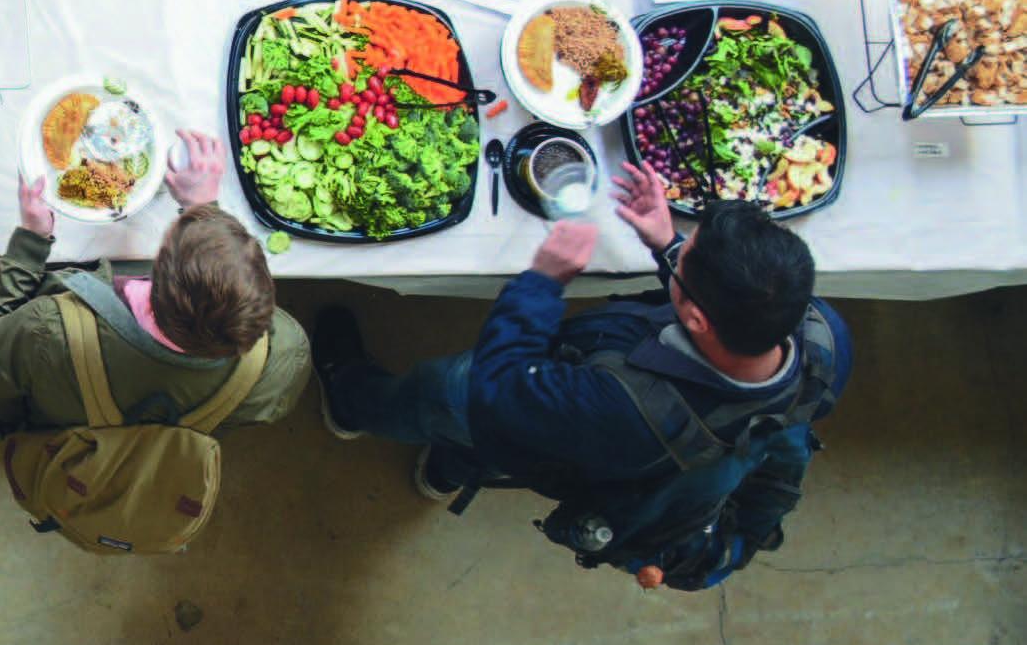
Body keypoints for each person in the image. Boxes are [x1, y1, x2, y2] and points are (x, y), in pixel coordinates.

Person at [312, 165, 850, 591]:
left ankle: (349, 398)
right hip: (584, 439)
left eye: (686, 252)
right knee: (478, 450)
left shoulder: (627, 407)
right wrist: (665, 247)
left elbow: (498, 386)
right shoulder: (819, 331)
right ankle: (449, 469)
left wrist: (544, 282)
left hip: (540, 419)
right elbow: (723, 314)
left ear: (698, 319)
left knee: (441, 395)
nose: (679, 246)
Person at [0, 138, 311, 437]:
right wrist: (204, 214)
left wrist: (29, 245)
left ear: (156, 270)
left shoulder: (48, 329)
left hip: (57, 424)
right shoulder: (286, 353)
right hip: (151, 437)